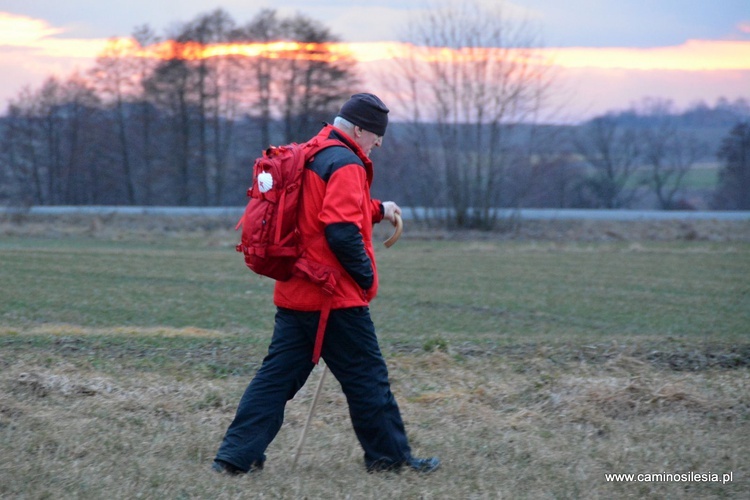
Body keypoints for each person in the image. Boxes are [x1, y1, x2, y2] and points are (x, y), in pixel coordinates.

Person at [212, 93, 440, 475]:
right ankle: (390, 459)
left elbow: (321, 210)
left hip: (295, 291)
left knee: (275, 380)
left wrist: (378, 209)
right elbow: (339, 231)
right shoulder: (348, 163)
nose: (379, 143)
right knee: (369, 380)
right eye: (377, 135)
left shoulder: (311, 152)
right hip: (334, 298)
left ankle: (234, 458)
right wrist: (364, 278)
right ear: (360, 129)